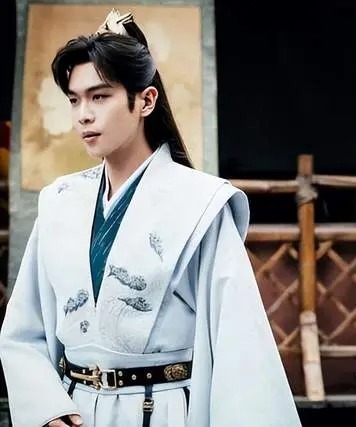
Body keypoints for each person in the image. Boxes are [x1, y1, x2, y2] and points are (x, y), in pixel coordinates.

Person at [0, 9, 301, 427]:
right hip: (72, 409)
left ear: (145, 100)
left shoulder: (200, 204)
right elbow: (23, 329)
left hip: (160, 409)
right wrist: (48, 408)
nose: (83, 114)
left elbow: (240, 344)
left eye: (99, 96)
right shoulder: (59, 201)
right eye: (74, 99)